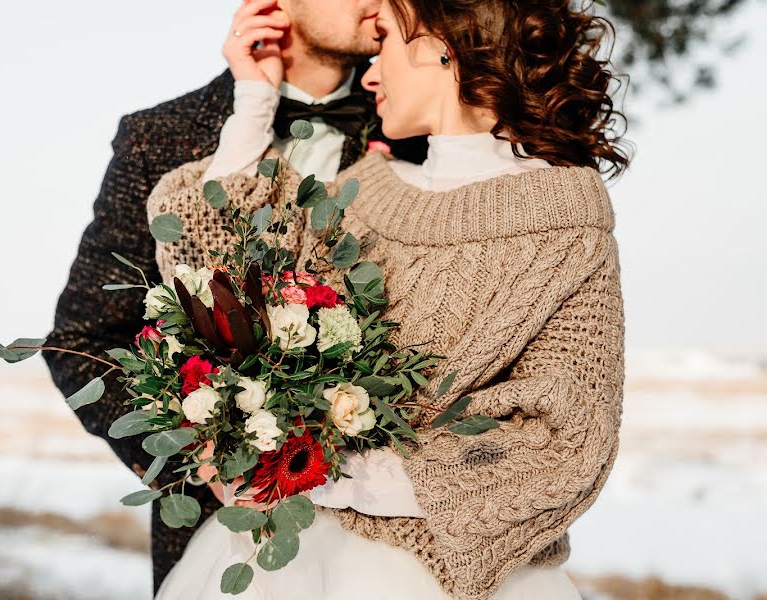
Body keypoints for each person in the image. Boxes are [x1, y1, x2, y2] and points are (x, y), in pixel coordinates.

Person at [147, 0, 631, 598]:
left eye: (384, 45)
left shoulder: (569, 226)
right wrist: (254, 101)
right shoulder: (360, 191)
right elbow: (216, 270)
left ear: (440, 45)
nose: (370, 73)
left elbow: (566, 443)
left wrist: (337, 473)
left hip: (447, 576)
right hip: (282, 557)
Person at [43, 0, 426, 595]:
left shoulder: (421, 130)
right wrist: (193, 455)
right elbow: (82, 341)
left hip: (389, 553)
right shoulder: (159, 137)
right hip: (217, 544)